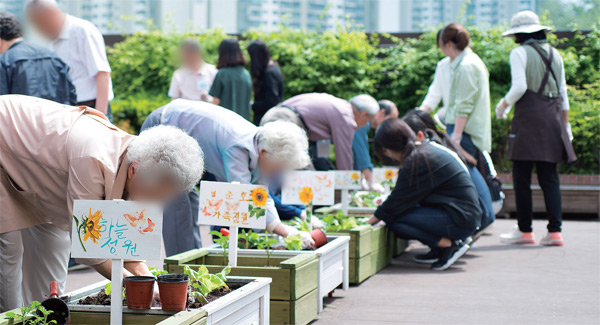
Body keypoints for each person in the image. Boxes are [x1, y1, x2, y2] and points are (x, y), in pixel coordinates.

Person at [0, 95, 204, 312]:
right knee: (9, 251)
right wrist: (135, 286)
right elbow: (90, 248)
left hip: (42, 176)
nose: (155, 204)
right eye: (154, 196)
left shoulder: (144, 161)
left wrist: (149, 281)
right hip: (5, 138)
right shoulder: (93, 158)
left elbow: (126, 246)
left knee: (53, 249)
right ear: (134, 171)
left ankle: (41, 317)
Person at [142, 99, 315, 255]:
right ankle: (180, 272)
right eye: (277, 166)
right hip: (163, 124)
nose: (276, 172)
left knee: (190, 202)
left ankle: (190, 265)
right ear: (264, 152)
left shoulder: (260, 145)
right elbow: (245, 195)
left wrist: (283, 228)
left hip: (178, 130)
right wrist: (286, 231)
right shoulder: (238, 146)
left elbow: (261, 195)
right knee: (177, 202)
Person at [496, 11, 576, 246]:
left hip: (529, 118)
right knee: (549, 177)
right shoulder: (556, 54)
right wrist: (566, 124)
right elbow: (563, 93)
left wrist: (502, 105)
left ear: (519, 34)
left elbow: (520, 86)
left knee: (522, 176)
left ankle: (525, 231)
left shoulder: (519, 53)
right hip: (552, 118)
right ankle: (555, 232)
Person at [365, 119, 480, 271]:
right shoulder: (425, 149)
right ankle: (439, 247)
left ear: (388, 149)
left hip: (460, 219)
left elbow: (395, 203)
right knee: (398, 213)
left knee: (395, 221)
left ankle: (449, 245)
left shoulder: (417, 159)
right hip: (464, 215)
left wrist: (366, 224)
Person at [402, 110, 495, 242]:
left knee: (408, 211)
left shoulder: (432, 153)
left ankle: (450, 243)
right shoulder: (444, 143)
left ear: (419, 134)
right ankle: (451, 242)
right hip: (483, 212)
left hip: (478, 215)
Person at [26, 0, 114, 121]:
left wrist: (100, 116)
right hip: (67, 109)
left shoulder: (82, 30)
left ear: (51, 15)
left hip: (90, 107)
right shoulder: (51, 40)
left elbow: (103, 73)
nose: (40, 31)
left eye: (41, 25)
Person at [260, 93, 379, 171]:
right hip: (284, 120)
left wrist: (325, 168)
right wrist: (348, 189)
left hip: (276, 116)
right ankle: (297, 208)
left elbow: (322, 149)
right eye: (368, 121)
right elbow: (344, 156)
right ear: (363, 115)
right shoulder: (346, 117)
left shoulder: (340, 106)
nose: (366, 125)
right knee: (303, 170)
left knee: (284, 166)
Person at [439, 23, 491, 163]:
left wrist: (456, 137)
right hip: (467, 134)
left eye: (441, 45)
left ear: (448, 44)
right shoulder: (470, 62)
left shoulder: (466, 66)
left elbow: (464, 105)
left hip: (464, 135)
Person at [0, 11, 75, 105]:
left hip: (23, 119)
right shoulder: (53, 56)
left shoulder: (4, 61)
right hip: (56, 118)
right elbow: (71, 95)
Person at [352, 99, 399, 190]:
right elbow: (361, 152)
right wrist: (370, 182)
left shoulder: (364, 123)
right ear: (382, 113)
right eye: (391, 119)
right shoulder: (363, 121)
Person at [209, 38, 252, 120]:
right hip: (244, 123)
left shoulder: (222, 74)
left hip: (226, 123)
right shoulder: (246, 74)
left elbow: (215, 102)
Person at [418, 29, 450, 130]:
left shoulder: (469, 64)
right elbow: (433, 96)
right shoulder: (443, 65)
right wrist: (418, 114)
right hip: (451, 123)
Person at [247, 40, 284, 125]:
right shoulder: (273, 68)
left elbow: (272, 102)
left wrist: (253, 106)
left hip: (267, 121)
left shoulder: (269, 73)